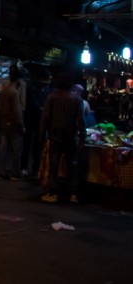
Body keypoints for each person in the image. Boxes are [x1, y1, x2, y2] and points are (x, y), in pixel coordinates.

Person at [39, 71, 85, 204]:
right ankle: (73, 193)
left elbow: (45, 117)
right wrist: (82, 135)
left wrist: (41, 135)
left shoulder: (51, 97)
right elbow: (81, 120)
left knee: (54, 164)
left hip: (55, 135)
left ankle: (53, 192)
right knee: (72, 164)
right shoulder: (76, 98)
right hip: (71, 135)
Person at [0, 67, 25, 180]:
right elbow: (17, 111)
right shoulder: (14, 93)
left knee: (3, 147)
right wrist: (22, 125)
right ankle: (15, 172)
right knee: (17, 147)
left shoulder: (4, 91)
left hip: (4, 120)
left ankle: (2, 171)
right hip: (13, 122)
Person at [23, 69, 52, 177]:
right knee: (27, 143)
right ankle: (24, 167)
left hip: (41, 120)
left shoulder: (48, 89)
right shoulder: (31, 88)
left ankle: (36, 167)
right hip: (31, 118)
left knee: (38, 145)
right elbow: (32, 102)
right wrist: (42, 109)